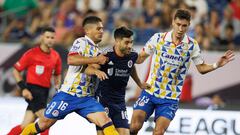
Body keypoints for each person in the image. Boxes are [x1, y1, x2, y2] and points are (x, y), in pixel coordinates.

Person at [130, 9, 235, 135]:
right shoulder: (158, 38)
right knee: (134, 127)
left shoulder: (192, 45)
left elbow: (201, 68)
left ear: (189, 25)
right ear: (173, 22)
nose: (180, 29)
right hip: (150, 91)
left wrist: (217, 64)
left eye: (184, 26)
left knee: (158, 132)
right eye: (178, 24)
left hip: (170, 98)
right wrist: (125, 55)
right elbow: (140, 58)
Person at [21, 16, 119, 135]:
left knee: (106, 121)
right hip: (69, 94)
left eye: (102, 29)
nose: (102, 31)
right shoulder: (81, 42)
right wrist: (97, 59)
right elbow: (71, 59)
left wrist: (103, 66)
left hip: (86, 98)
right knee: (44, 124)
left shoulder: (97, 50)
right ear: (88, 30)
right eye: (98, 29)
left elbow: (89, 68)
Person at [84, 26, 150, 135]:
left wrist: (139, 83)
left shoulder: (132, 55)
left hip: (119, 102)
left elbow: (131, 67)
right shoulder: (106, 55)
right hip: (103, 101)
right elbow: (88, 69)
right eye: (127, 42)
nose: (130, 46)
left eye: (131, 42)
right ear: (117, 41)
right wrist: (97, 72)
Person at [7, 27, 62, 135]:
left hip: (45, 92)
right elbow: (16, 71)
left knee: (25, 126)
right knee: (46, 121)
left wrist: (57, 83)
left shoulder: (55, 56)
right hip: (33, 91)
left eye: (52, 37)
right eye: (47, 37)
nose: (50, 40)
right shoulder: (32, 53)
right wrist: (23, 89)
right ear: (42, 37)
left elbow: (57, 73)